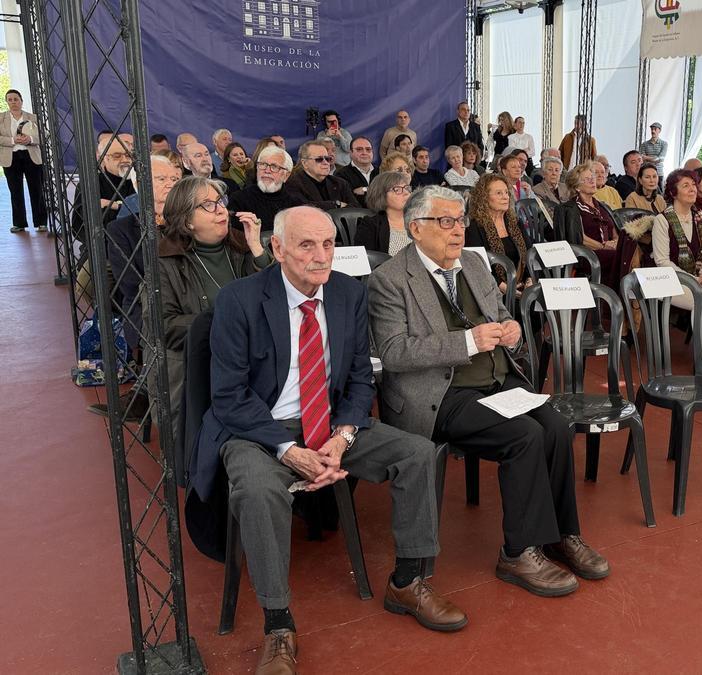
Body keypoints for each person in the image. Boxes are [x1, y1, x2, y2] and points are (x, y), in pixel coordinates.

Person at [195, 206, 463, 675]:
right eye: (306, 245)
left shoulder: (346, 294)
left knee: (418, 453)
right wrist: (289, 451)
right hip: (259, 431)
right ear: (276, 248)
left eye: (328, 244)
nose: (321, 258)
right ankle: (278, 625)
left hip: (330, 426)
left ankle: (407, 581)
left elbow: (360, 377)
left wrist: (342, 436)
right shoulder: (239, 301)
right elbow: (229, 397)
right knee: (258, 490)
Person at [369, 186, 608, 600]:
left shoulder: (473, 265)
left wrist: (511, 332)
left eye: (460, 220)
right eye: (445, 222)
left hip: (497, 380)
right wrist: (466, 342)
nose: (458, 230)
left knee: (555, 425)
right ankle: (517, 552)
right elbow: (393, 353)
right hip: (441, 393)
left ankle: (561, 534)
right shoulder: (389, 280)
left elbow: (500, 317)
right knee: (525, 436)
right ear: (415, 228)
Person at [156, 175, 272, 426]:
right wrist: (221, 324)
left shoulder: (241, 248)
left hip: (252, 361)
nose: (221, 210)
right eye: (208, 205)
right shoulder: (165, 262)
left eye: (220, 201)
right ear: (187, 221)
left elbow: (274, 299)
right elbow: (165, 325)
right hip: (198, 366)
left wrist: (257, 249)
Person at [87, 155, 184, 421]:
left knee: (180, 329)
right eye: (161, 179)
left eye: (175, 179)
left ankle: (142, 397)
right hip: (145, 308)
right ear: (140, 185)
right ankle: (151, 401)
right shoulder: (121, 229)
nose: (170, 185)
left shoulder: (190, 224)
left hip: (188, 306)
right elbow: (129, 283)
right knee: (164, 328)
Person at [651, 169, 702, 377]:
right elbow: (662, 261)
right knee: (701, 299)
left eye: (693, 184)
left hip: (695, 277)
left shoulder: (698, 217)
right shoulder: (663, 220)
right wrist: (694, 280)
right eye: (686, 185)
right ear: (673, 193)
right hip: (667, 279)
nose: (692, 188)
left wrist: (701, 276)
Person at [553, 163, 620, 281]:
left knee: (634, 254)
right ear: (577, 187)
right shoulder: (570, 209)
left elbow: (613, 229)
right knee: (619, 258)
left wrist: (615, 242)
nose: (593, 181)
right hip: (587, 255)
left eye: (593, 178)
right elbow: (580, 238)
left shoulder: (601, 206)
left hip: (607, 251)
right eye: (588, 179)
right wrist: (603, 246)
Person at [466, 174, 530, 294]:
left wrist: (530, 279)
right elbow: (476, 265)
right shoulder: (474, 227)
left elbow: (529, 252)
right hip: (492, 290)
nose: (505, 197)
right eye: (499, 193)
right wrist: (502, 287)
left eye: (506, 192)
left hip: (522, 286)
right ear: (484, 198)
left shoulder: (515, 222)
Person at [227, 145, 303, 231]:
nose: (267, 171)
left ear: (286, 175)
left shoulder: (296, 204)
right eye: (263, 164)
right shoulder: (238, 200)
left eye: (274, 167)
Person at [1, 89, 46, 233]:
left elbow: (43, 136)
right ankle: (19, 223)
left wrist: (30, 139)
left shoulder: (32, 117)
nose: (13, 102)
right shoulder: (1, 118)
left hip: (30, 155)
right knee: (15, 190)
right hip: (11, 157)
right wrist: (12, 140)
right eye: (10, 99)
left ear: (21, 100)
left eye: (16, 99)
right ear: (7, 102)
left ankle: (41, 222)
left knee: (36, 189)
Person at [353, 171, 413, 256]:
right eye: (397, 189)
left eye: (407, 188)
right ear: (382, 195)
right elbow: (367, 261)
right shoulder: (370, 225)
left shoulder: (420, 220)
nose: (406, 193)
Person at [284, 140, 357, 210]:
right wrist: (336, 204)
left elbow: (356, 208)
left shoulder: (340, 183)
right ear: (305, 163)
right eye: (319, 159)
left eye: (328, 159)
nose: (325, 162)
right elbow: (302, 208)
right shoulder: (293, 183)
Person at [334, 136, 378, 205]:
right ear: (351, 153)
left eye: (368, 149)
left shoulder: (381, 171)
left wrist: (365, 189)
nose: (364, 153)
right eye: (359, 149)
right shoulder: (341, 174)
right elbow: (347, 198)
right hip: (356, 214)